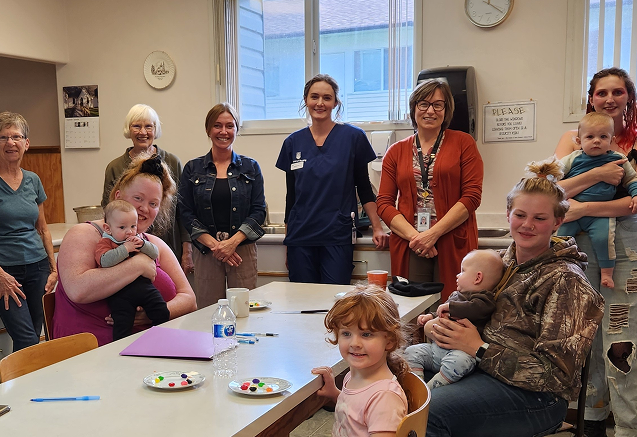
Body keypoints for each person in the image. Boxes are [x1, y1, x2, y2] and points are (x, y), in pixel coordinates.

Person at [413, 162, 604, 437]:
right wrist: (441, 327)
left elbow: (555, 376)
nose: (527, 225)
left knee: (429, 415)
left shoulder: (568, 283)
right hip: (483, 373)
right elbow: (469, 312)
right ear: (508, 215)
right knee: (394, 384)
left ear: (557, 223)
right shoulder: (504, 263)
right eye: (520, 214)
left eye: (539, 217)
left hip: (537, 399)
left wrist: (480, 349)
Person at [195, 284, 409, 437]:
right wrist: (336, 396)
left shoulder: (384, 397)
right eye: (346, 333)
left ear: (390, 340)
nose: (355, 343)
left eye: (367, 335)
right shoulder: (360, 376)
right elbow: (361, 416)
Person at [556, 68, 637, 437]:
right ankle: (592, 424)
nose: (610, 98)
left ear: (629, 97)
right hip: (581, 252)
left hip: (627, 254)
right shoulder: (571, 139)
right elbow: (548, 193)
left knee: (623, 344)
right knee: (588, 340)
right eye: (602, 92)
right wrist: (598, 176)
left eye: (618, 92)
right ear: (591, 98)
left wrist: (584, 207)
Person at [53, 153, 196, 346]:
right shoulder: (83, 234)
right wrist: (138, 265)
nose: (144, 208)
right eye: (138, 198)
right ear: (118, 196)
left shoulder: (155, 244)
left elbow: (189, 298)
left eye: (153, 203)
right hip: (92, 353)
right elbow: (78, 290)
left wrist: (155, 312)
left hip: (152, 347)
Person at [377, 79, 484, 300]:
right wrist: (417, 237)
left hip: (453, 238)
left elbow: (472, 196)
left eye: (438, 105)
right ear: (413, 108)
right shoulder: (395, 152)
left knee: (453, 306)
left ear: (446, 110)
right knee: (411, 309)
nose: (430, 111)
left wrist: (433, 234)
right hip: (411, 243)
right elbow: (384, 204)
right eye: (423, 104)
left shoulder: (464, 143)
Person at [277, 74, 389, 285]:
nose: (320, 103)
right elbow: (291, 197)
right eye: (314, 97)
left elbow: (364, 188)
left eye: (327, 98)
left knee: (335, 302)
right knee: (302, 302)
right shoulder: (292, 143)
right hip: (300, 237)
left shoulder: (353, 137)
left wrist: (377, 227)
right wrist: (287, 241)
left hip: (336, 235)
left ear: (335, 102)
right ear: (306, 100)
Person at [0, 112, 57, 352]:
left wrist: (54, 269)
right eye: (3, 137)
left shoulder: (33, 180)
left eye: (16, 137)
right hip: (3, 269)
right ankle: (15, 388)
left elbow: (43, 228)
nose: (10, 143)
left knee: (35, 337)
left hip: (37, 267)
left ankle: (23, 388)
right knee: (26, 338)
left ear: (26, 143)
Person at [177, 103, 266, 308]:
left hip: (241, 251)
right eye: (217, 126)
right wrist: (216, 246)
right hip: (207, 251)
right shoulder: (193, 168)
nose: (223, 132)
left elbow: (259, 210)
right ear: (208, 129)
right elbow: (186, 213)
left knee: (243, 310)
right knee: (209, 312)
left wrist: (232, 243)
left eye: (229, 126)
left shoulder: (250, 167)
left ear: (236, 129)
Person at [556, 112, 637, 289]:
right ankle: (558, 267)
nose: (596, 140)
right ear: (579, 141)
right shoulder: (572, 158)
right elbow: (554, 178)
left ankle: (607, 273)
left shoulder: (619, 159)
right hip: (571, 212)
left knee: (603, 238)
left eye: (603, 136)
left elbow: (632, 180)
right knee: (561, 238)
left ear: (611, 140)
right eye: (590, 136)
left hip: (600, 215)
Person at [102, 104, 192, 271]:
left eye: (148, 126)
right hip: (125, 248)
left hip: (168, 244)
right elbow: (107, 209)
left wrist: (187, 249)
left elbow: (183, 208)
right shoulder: (114, 167)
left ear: (155, 130)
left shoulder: (172, 162)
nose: (143, 132)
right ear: (128, 129)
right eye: (136, 126)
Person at [404, 249, 504, 389]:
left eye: (463, 271)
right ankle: (417, 386)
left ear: (477, 278)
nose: (458, 275)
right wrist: (431, 316)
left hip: (460, 353)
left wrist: (451, 307)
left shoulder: (484, 300)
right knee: (411, 351)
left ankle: (431, 388)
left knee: (459, 363)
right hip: (435, 350)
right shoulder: (456, 295)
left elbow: (474, 308)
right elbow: (442, 312)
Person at [95, 199, 169, 340]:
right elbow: (104, 261)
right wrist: (125, 249)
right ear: (108, 228)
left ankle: (161, 339)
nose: (129, 232)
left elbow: (154, 253)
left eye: (133, 226)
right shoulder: (105, 242)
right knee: (122, 323)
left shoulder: (138, 239)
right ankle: (122, 352)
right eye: (122, 227)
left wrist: (143, 245)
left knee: (161, 309)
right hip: (119, 291)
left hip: (144, 286)